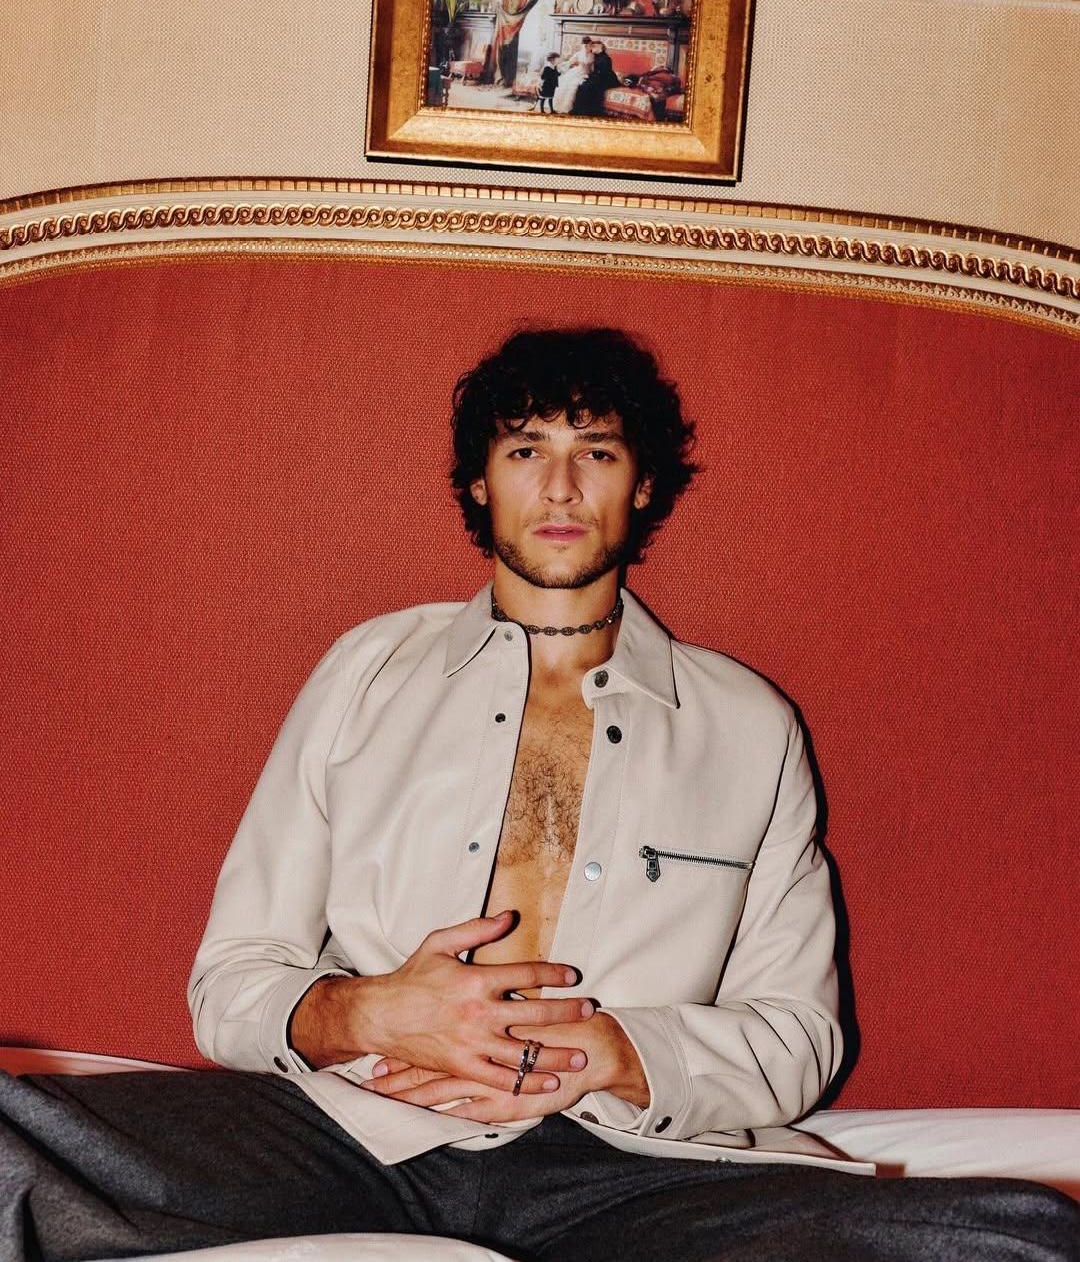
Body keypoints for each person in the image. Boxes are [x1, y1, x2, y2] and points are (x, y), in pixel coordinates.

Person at [1, 328, 1077, 1262]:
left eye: (595, 452)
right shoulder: (367, 671)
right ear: (480, 483)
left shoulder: (749, 726)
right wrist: (373, 1012)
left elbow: (797, 1039)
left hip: (623, 1168)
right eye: (525, 451)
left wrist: (611, 1052)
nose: (560, 489)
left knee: (1022, 1235)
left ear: (641, 485)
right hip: (362, 1131)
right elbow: (232, 982)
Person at [573, 41, 619, 116]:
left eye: (594, 47)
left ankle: (589, 111)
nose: (592, 48)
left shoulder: (606, 58)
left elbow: (604, 73)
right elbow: (593, 70)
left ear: (600, 47)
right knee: (582, 85)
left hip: (607, 79)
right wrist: (589, 77)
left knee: (589, 86)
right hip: (597, 77)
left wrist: (592, 79)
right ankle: (580, 110)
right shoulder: (595, 56)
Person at [553, 37, 592, 114]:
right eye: (586, 45)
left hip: (585, 73)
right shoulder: (579, 54)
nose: (588, 47)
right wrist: (560, 65)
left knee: (573, 85)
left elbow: (592, 67)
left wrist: (592, 74)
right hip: (576, 71)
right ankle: (558, 106)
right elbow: (569, 62)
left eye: (589, 45)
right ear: (584, 45)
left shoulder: (592, 55)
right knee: (565, 82)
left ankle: (566, 107)